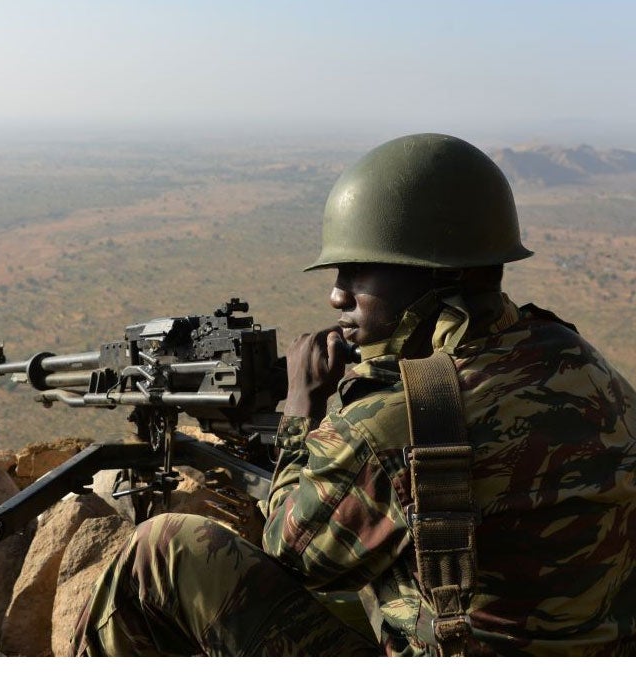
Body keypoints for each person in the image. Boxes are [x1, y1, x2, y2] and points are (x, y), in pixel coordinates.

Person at [71, 133, 636, 656]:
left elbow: (292, 550)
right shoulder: (578, 358)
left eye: (358, 272)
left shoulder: (406, 417)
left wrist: (301, 411)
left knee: (162, 552)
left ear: (435, 277)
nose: (337, 294)